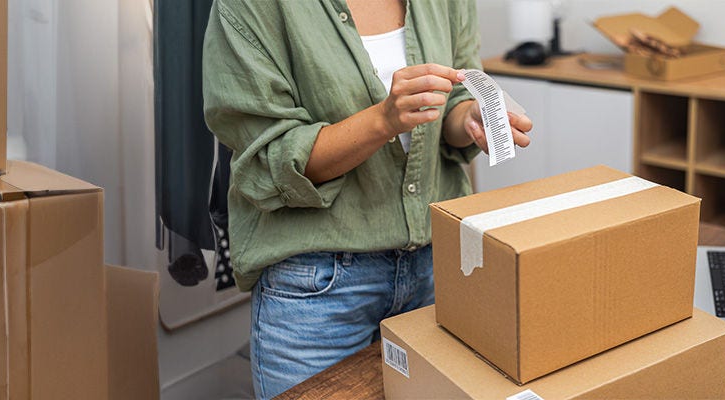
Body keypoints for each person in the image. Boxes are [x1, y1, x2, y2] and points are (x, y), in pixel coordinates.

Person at [201, 0, 533, 398]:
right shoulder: (252, 7)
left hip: (437, 270)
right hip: (317, 289)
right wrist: (384, 119)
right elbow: (269, 158)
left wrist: (468, 119)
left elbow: (456, 94)